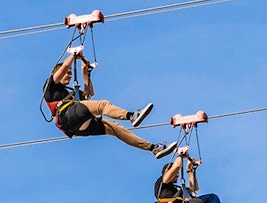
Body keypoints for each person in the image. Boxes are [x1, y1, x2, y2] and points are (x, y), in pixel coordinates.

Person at [43, 51, 176, 159]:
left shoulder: (71, 94)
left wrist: (85, 73)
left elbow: (89, 93)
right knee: (103, 104)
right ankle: (131, 116)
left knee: (114, 127)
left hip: (77, 125)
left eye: (71, 73)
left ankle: (153, 148)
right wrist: (74, 54)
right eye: (67, 73)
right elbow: (65, 66)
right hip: (66, 116)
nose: (70, 75)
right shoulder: (51, 86)